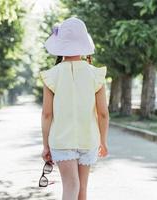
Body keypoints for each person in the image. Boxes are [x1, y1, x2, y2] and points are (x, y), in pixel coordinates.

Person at [39, 17, 109, 200]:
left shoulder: (51, 76)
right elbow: (103, 114)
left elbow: (47, 114)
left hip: (61, 140)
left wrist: (45, 144)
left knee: (71, 186)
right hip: (89, 139)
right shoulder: (96, 74)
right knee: (81, 190)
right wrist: (103, 140)